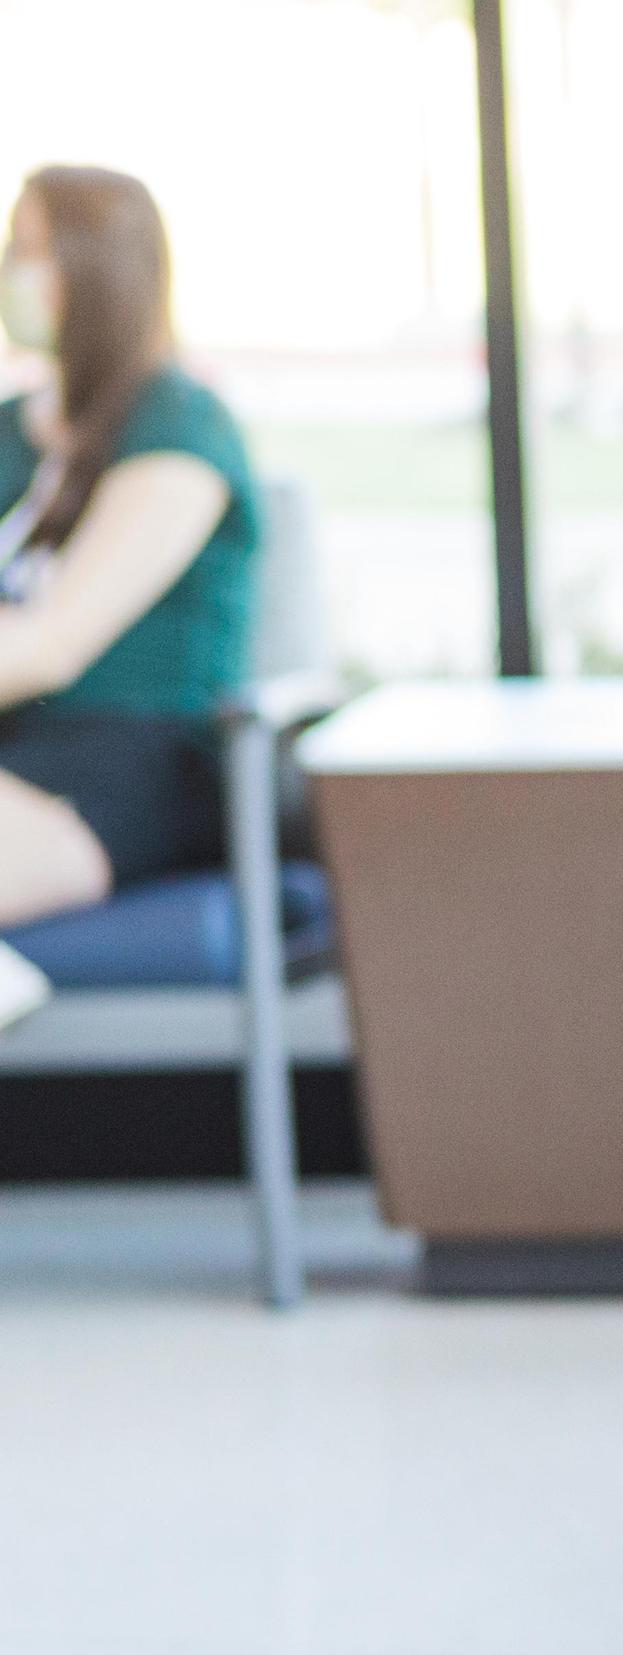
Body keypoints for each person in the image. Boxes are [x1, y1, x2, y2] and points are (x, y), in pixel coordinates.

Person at [0, 166, 262, 1032]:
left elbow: (51, 645)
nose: (16, 272)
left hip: (127, 764)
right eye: (13, 249)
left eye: (38, 251)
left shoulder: (178, 424)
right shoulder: (9, 430)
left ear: (103, 267)